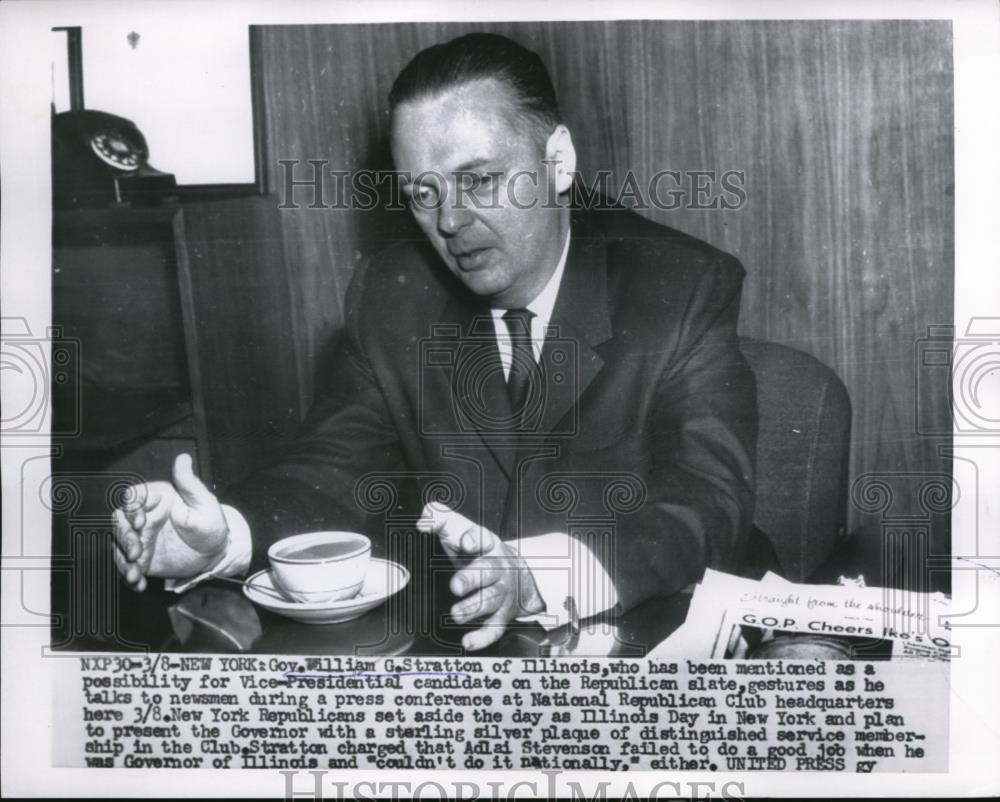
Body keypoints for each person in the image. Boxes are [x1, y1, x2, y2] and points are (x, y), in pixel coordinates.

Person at [113, 32, 757, 652]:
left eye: (478, 180)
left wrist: (542, 575)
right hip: (462, 652)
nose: (449, 221)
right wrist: (225, 536)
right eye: (423, 192)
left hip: (638, 643)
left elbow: (709, 498)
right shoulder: (392, 296)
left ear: (558, 161)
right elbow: (332, 469)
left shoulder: (679, 284)